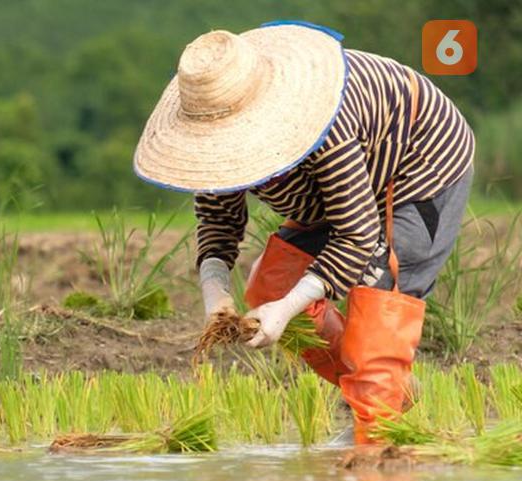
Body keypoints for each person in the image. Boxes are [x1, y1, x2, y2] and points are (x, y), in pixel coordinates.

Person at [132, 21, 474, 444]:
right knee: (269, 286)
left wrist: (288, 308)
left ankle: (377, 434)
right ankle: (389, 389)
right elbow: (218, 224)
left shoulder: (322, 120)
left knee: (376, 312)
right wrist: (215, 297)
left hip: (414, 168)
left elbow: (356, 235)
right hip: (329, 192)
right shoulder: (213, 143)